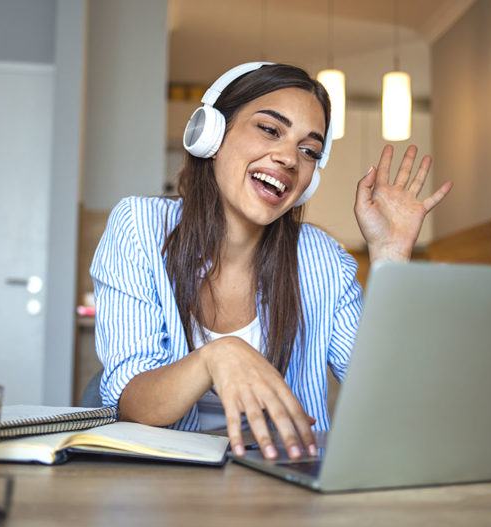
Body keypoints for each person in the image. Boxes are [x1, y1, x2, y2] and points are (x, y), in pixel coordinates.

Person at [90, 62, 452, 462]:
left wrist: (390, 257)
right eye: (270, 129)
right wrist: (218, 356)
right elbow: (132, 401)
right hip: (163, 481)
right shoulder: (140, 228)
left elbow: (387, 397)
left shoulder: (323, 261)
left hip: (280, 480)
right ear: (211, 134)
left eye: (308, 150)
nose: (289, 158)